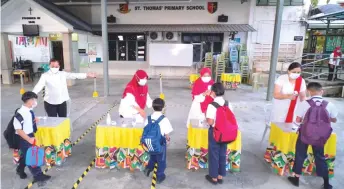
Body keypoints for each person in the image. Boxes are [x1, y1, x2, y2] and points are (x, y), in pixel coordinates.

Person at [288, 82, 338, 189]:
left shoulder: (304, 103)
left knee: (300, 154)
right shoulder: (329, 105)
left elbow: (298, 120)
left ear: (309, 91)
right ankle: (326, 184)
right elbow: (334, 119)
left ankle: (296, 178)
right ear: (321, 91)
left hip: (305, 134)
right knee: (320, 157)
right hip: (320, 136)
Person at [14, 91, 51, 182]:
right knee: (32, 157)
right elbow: (19, 130)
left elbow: (26, 123)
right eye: (34, 100)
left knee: (27, 155)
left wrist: (33, 121)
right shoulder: (20, 113)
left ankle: (20, 169)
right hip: (25, 137)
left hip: (30, 135)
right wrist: (28, 139)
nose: (35, 102)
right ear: (29, 101)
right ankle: (38, 175)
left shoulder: (29, 111)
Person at [205, 83, 235, 185]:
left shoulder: (212, 105)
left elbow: (210, 121)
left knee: (214, 154)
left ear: (213, 92)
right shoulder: (228, 103)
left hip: (215, 133)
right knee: (222, 154)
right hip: (226, 133)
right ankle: (220, 175)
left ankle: (213, 177)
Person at [143, 98, 173, 184]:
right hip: (160, 143)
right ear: (163, 108)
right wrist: (168, 139)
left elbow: (145, 130)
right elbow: (167, 134)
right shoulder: (164, 119)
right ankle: (160, 176)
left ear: (152, 107)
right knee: (161, 160)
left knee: (152, 156)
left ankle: (148, 168)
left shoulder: (148, 118)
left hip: (149, 143)